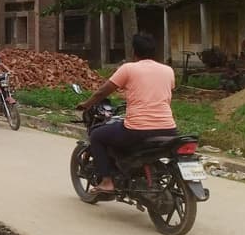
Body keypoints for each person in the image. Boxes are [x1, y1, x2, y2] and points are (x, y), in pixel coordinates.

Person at [76, 33, 177, 196]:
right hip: (169, 129)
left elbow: (103, 91)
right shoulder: (168, 71)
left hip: (138, 130)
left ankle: (107, 182)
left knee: (96, 135)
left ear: (134, 52)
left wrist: (86, 104)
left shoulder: (128, 68)